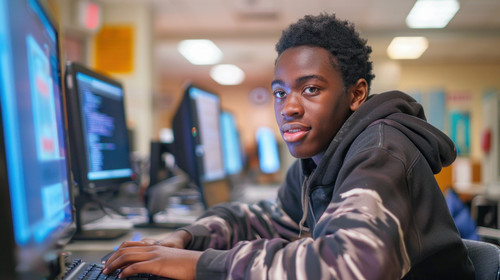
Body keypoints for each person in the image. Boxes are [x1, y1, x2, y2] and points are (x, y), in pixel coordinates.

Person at [103, 13, 475, 279]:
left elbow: (355, 266)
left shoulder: (380, 152)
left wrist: (197, 265)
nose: (289, 106)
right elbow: (273, 221)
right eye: (280, 92)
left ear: (356, 94)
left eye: (310, 89)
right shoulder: (319, 160)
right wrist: (186, 238)